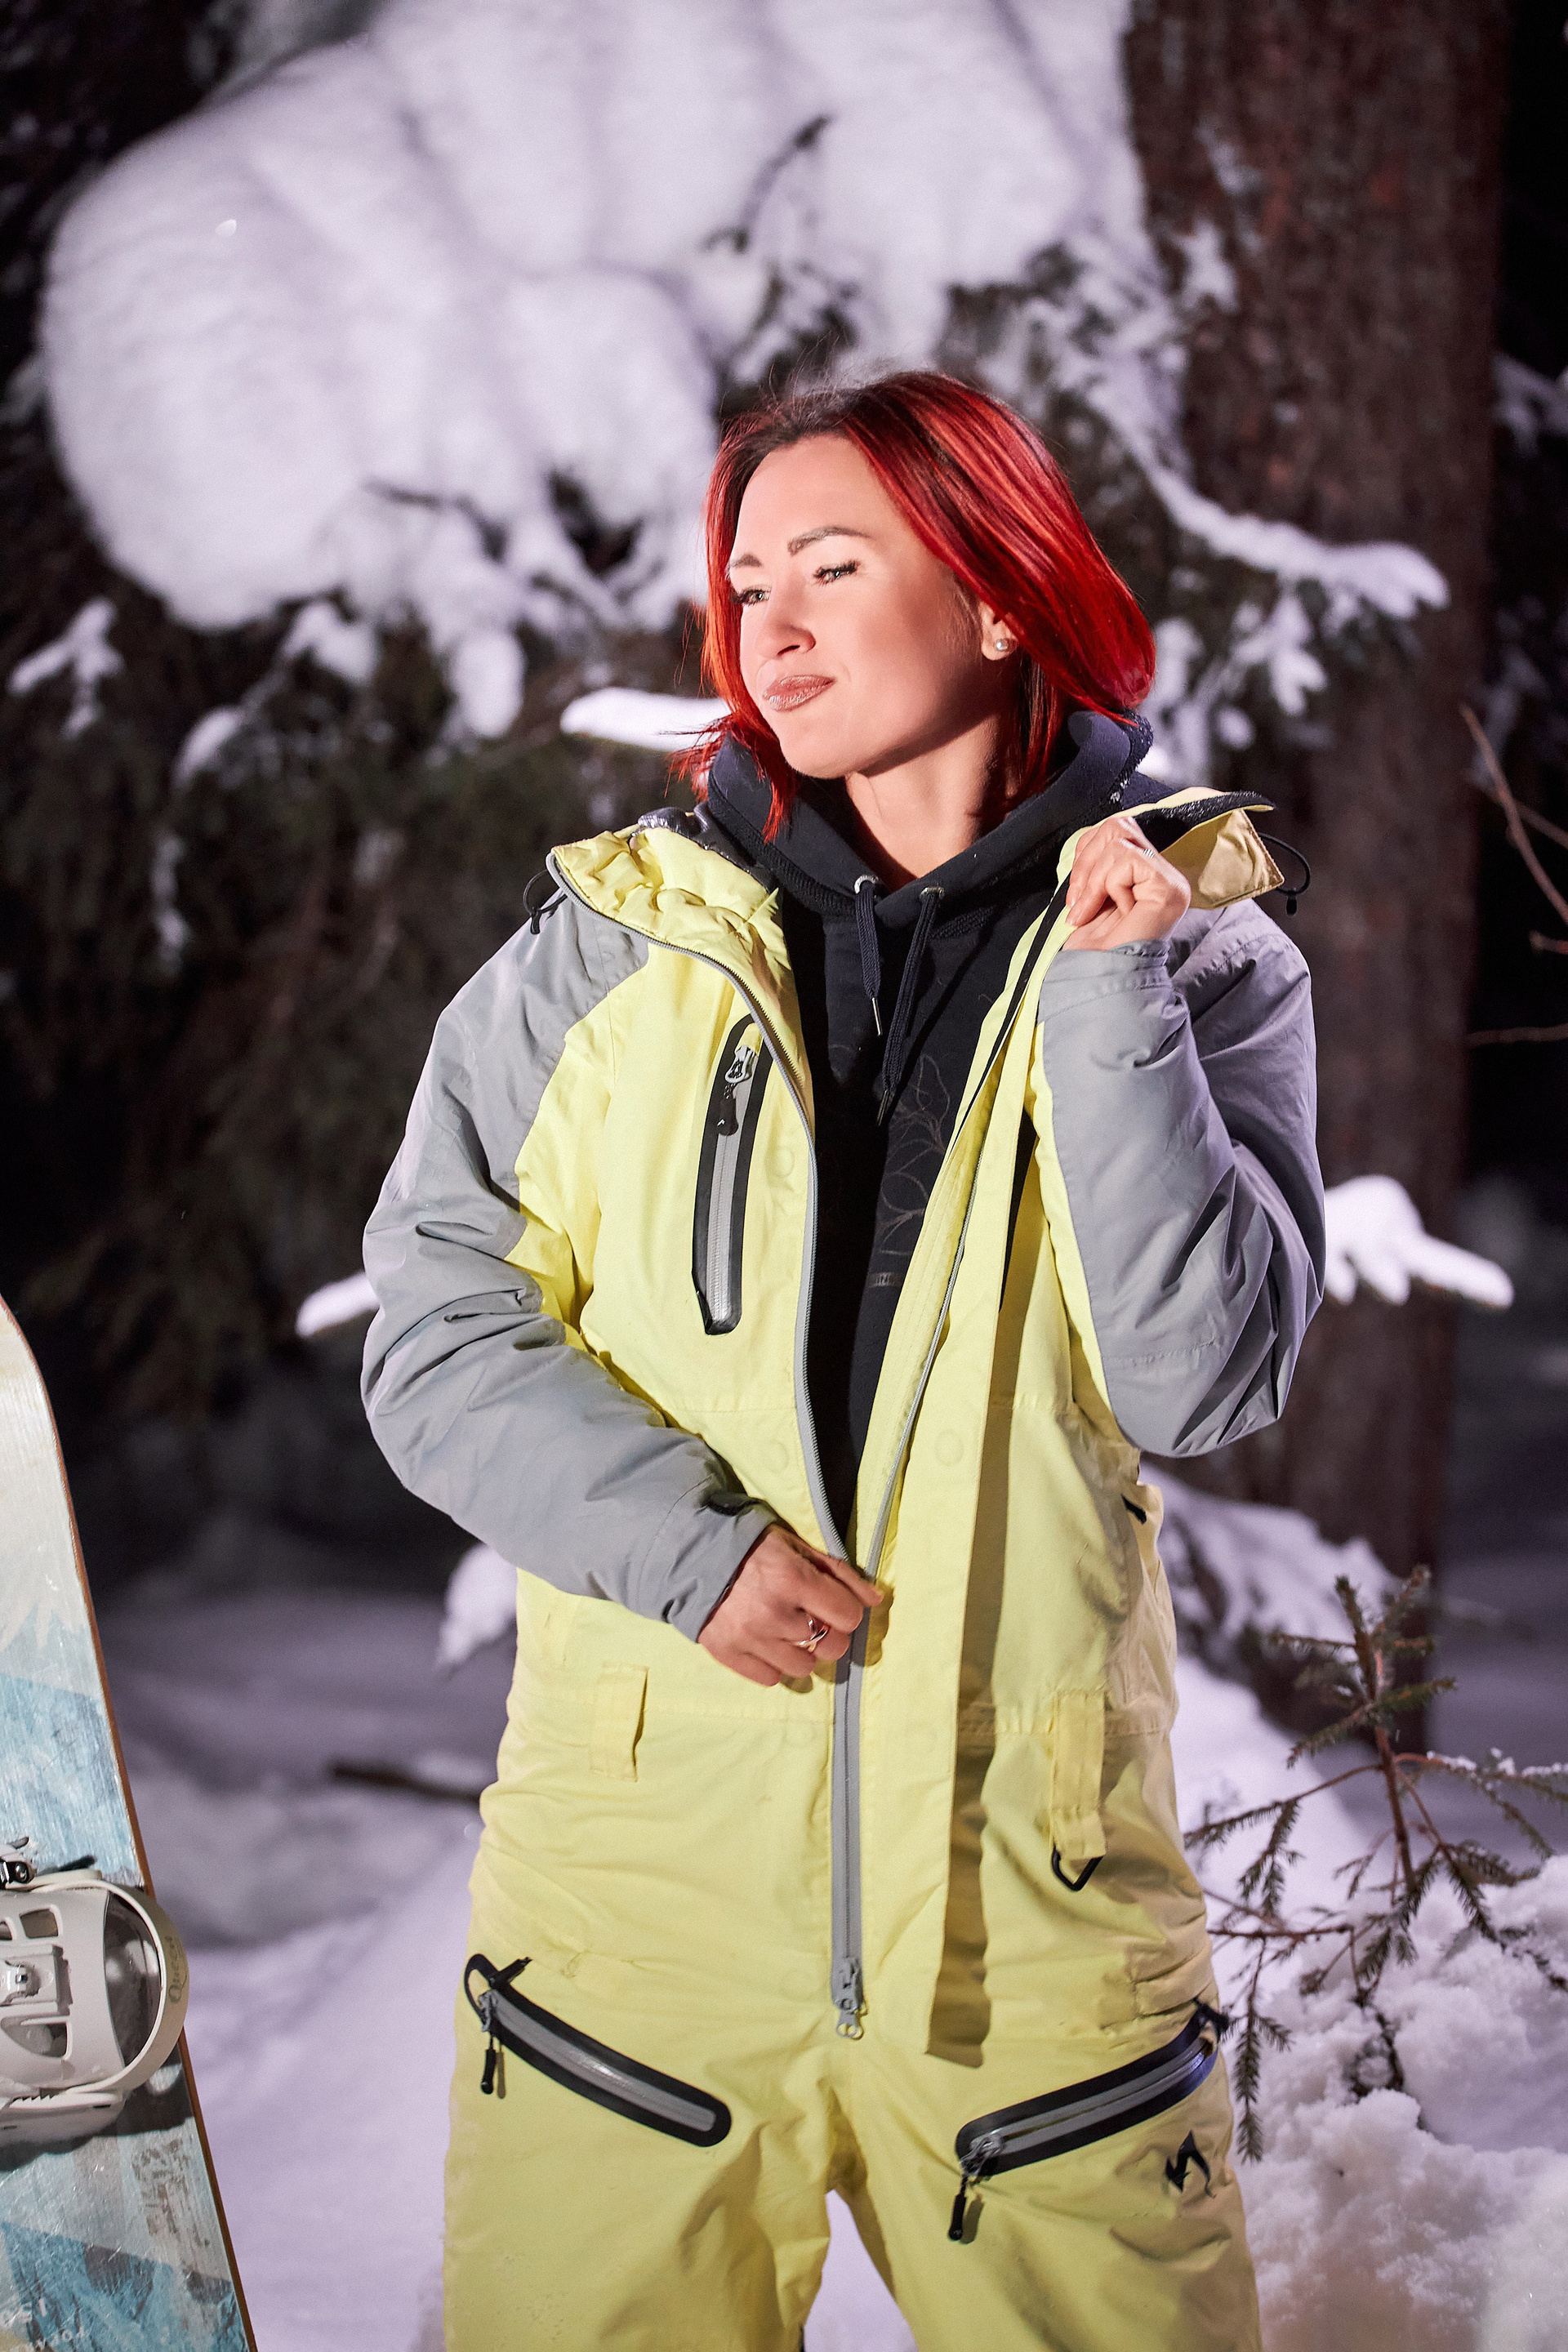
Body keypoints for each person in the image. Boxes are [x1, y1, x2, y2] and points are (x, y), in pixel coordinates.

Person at [361, 370, 1323, 2351]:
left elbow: (1202, 1380)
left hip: (1032, 1938)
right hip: (638, 1928)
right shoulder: (613, 949)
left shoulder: (1200, 958)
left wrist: (1115, 997)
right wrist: (687, 1545)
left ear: (999, 593)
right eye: (746, 585)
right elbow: (438, 1327)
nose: (770, 629)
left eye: (831, 567)